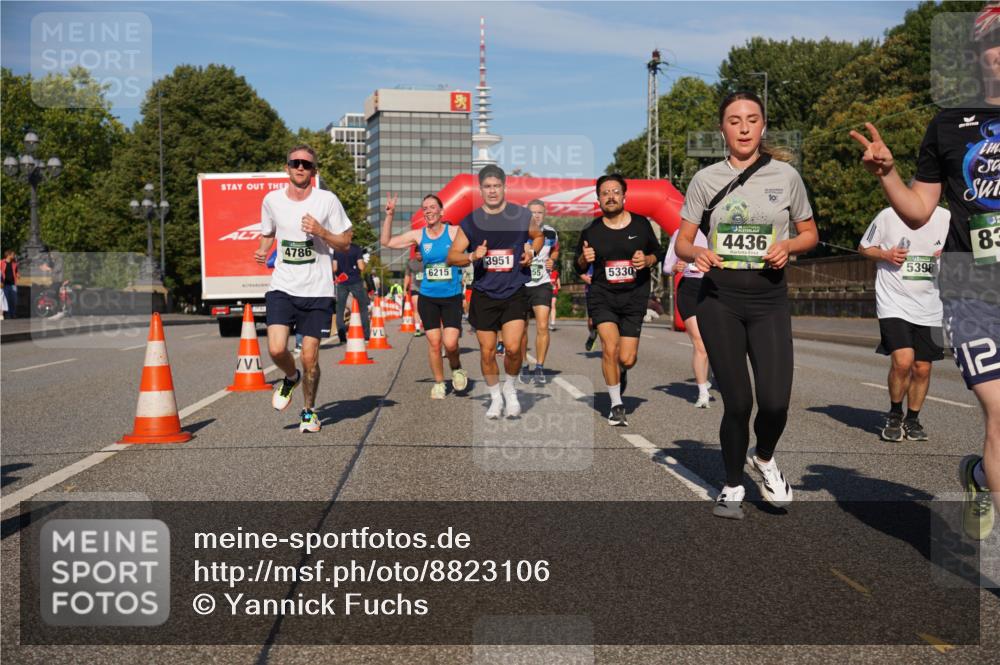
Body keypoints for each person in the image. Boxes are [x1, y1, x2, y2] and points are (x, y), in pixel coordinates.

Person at [849, 4, 1000, 540]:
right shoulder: (950, 122)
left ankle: (979, 476)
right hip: (972, 285)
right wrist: (887, 174)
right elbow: (918, 210)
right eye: (994, 42)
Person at [675, 91, 818, 519]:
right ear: (722, 128)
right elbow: (683, 239)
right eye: (734, 120)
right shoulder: (704, 179)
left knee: (775, 402)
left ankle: (766, 457)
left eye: (751, 119)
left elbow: (810, 233)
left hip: (769, 299)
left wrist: (788, 246)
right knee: (738, 401)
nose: (743, 127)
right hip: (719, 299)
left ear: (763, 126)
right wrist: (694, 253)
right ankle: (733, 485)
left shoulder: (786, 176)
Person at [254, 144, 353, 433]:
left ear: (314, 171)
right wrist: (262, 250)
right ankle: (290, 376)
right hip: (283, 286)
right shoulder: (272, 201)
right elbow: (268, 233)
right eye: (295, 163)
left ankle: (309, 411)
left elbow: (345, 242)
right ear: (286, 167)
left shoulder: (327, 201)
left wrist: (321, 232)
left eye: (306, 164)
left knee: (310, 357)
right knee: (275, 348)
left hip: (318, 290)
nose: (300, 167)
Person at [447, 164, 543, 419]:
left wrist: (531, 251)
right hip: (484, 293)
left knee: (513, 348)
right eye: (487, 187)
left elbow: (538, 236)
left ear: (504, 187)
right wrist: (471, 256)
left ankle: (510, 390)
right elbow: (451, 256)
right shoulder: (471, 221)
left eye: (496, 186)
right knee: (487, 351)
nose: (492, 191)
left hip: (514, 290)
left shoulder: (521, 216)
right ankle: (495, 397)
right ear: (481, 190)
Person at [574, 173, 665, 427]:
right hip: (603, 296)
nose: (610, 196)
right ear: (599, 199)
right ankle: (616, 405)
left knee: (627, 358)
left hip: (634, 297)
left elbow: (657, 252)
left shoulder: (640, 225)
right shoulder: (591, 230)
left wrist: (647, 261)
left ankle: (621, 371)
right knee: (609, 347)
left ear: (624, 196)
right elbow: (577, 264)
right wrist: (585, 259)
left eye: (615, 192)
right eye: (605, 193)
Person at [859, 206, 950, 442]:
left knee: (923, 368)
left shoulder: (946, 217)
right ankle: (894, 414)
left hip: (932, 305)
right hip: (893, 301)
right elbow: (864, 247)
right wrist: (885, 255)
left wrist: (949, 254)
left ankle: (912, 419)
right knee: (903, 361)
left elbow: (965, 247)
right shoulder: (888, 215)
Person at [381, 192, 469, 399]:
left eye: (432, 207)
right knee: (434, 342)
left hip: (452, 295)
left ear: (441, 211)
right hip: (428, 296)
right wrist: (390, 215)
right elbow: (387, 242)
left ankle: (456, 368)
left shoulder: (456, 231)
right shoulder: (419, 235)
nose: (428, 211)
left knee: (451, 343)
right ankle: (439, 383)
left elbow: (478, 246)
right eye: (425, 208)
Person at [664, 227, 712, 408]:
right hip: (690, 289)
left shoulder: (722, 226)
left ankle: (711, 372)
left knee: (714, 342)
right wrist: (676, 267)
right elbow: (667, 266)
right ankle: (703, 393)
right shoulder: (681, 232)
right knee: (700, 343)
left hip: (715, 289)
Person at [519, 201, 559, 386]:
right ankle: (524, 366)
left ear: (545, 214)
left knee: (542, 326)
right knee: (522, 329)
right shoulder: (518, 232)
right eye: (533, 212)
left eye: (540, 212)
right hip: (520, 284)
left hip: (542, 283)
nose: (536, 215)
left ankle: (540, 367)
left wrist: (552, 260)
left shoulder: (551, 232)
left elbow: (556, 251)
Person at [333, 242, 370, 343]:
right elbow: (361, 267)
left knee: (340, 310)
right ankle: (366, 336)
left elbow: (334, 268)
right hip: (356, 281)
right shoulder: (356, 249)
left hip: (341, 282)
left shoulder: (337, 249)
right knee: (363, 309)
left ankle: (342, 338)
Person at [404, 248, 425, 337]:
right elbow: (407, 276)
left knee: (425, 309)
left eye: (420, 255)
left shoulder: (428, 261)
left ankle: (427, 325)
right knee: (416, 308)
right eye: (417, 255)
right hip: (415, 288)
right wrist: (405, 288)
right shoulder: (410, 263)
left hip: (427, 288)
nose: (419, 256)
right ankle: (417, 328)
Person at [1, 249, 19, 319]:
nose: (14, 256)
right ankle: (7, 315)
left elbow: (16, 272)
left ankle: (13, 314)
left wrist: (18, 275)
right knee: (6, 300)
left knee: (14, 300)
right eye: (13, 254)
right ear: (8, 255)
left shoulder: (14, 263)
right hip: (4, 284)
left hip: (13, 284)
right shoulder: (1, 262)